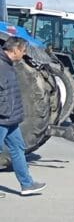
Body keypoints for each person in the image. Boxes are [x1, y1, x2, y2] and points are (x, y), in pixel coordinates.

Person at [0, 37, 46, 194]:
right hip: (2, 118)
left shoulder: (8, 65)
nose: (24, 54)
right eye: (23, 51)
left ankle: (27, 184)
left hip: (11, 119)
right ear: (15, 50)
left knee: (18, 148)